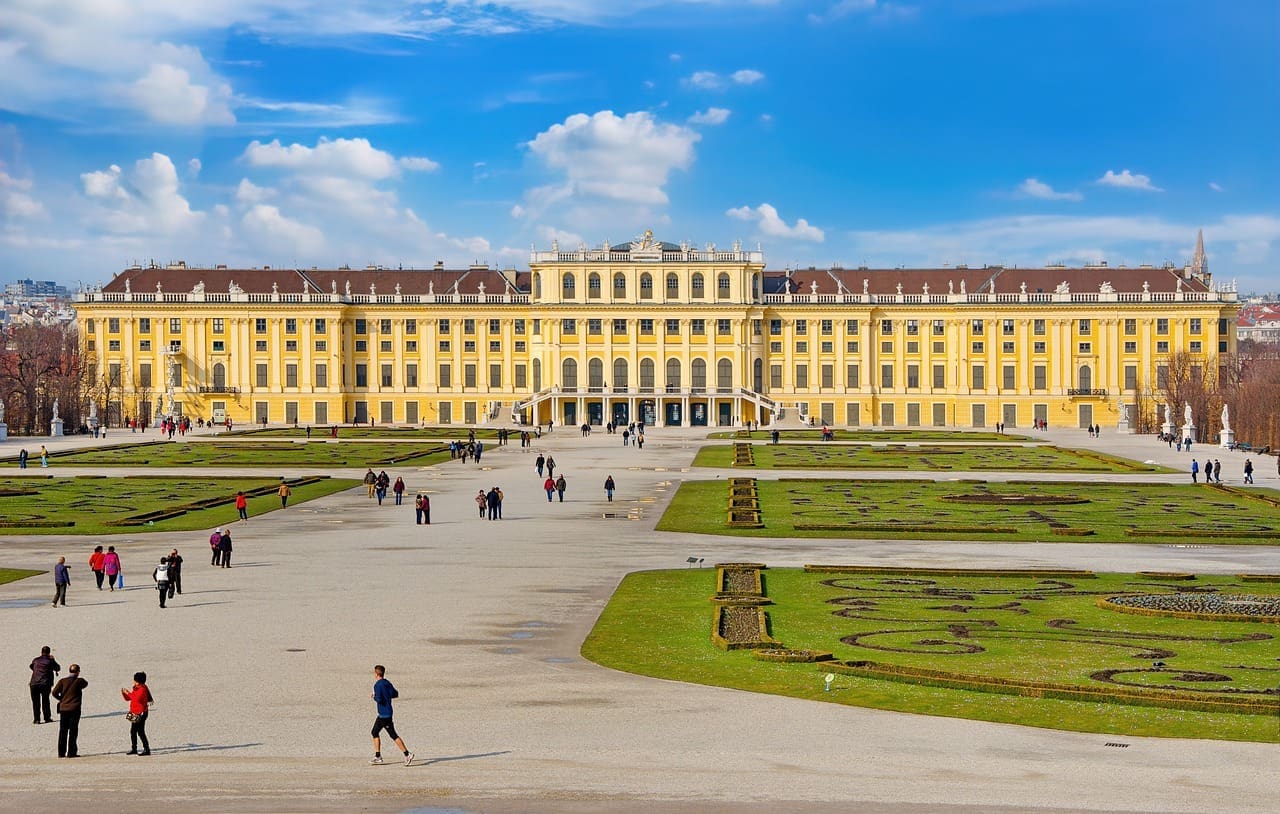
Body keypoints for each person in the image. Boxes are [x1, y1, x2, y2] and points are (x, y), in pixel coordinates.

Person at [368, 665, 413, 766]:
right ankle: (378, 756)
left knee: (393, 735)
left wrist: (374, 696)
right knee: (374, 732)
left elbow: (379, 699)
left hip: (385, 715)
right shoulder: (387, 683)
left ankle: (407, 754)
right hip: (384, 714)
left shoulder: (377, 685)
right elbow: (395, 694)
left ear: (376, 674)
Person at [51, 663, 87, 758]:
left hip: (63, 709)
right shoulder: (79, 681)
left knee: (63, 730)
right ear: (78, 672)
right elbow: (85, 684)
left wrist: (61, 699)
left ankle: (61, 752)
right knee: (73, 730)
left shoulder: (62, 681)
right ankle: (71, 752)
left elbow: (54, 692)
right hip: (75, 708)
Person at [121, 671, 153, 756]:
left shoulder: (142, 689)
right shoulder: (138, 687)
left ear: (137, 681)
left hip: (141, 713)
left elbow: (135, 698)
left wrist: (127, 692)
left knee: (140, 732)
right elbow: (129, 698)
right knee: (133, 731)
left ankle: (147, 749)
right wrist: (124, 693)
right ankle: (134, 749)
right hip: (135, 712)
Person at [29, 645, 60, 724]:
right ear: (49, 653)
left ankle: (36, 719)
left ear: (41, 652)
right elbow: (57, 668)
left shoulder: (35, 660)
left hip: (34, 683)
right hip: (45, 683)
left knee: (35, 702)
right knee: (45, 700)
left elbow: (31, 667)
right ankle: (47, 718)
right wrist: (53, 660)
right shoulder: (50, 660)